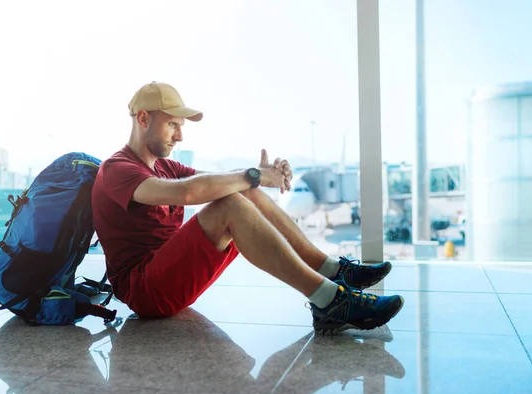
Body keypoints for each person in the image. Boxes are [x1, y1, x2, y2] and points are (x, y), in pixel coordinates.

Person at [91, 81, 404, 334]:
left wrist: (259, 176)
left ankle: (332, 271)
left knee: (243, 193)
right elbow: (190, 192)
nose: (180, 135)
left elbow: (219, 181)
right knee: (230, 204)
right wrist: (253, 177)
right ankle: (329, 302)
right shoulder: (117, 169)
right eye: (172, 124)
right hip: (144, 291)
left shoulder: (165, 166)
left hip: (167, 276)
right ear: (143, 118)